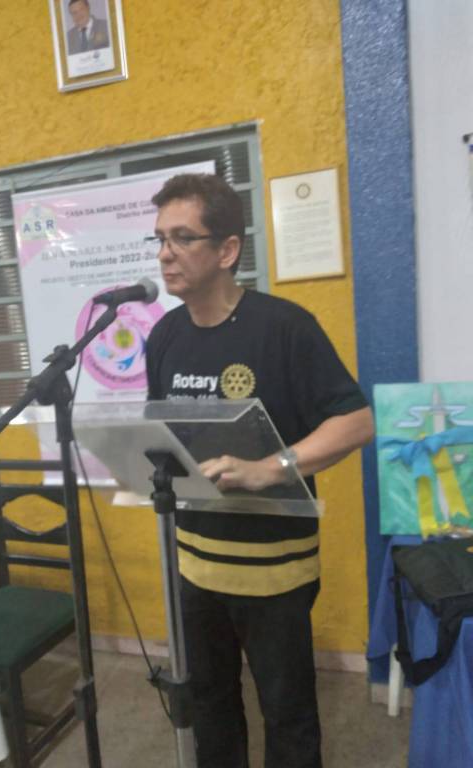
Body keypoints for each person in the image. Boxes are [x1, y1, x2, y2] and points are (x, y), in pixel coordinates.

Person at [145, 173, 375, 768]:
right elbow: (162, 433)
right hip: (193, 563)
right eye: (160, 239)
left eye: (182, 238)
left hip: (275, 568)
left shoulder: (285, 326)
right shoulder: (164, 336)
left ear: (227, 250)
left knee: (287, 714)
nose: (165, 253)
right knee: (210, 704)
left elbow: (355, 422)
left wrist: (270, 468)